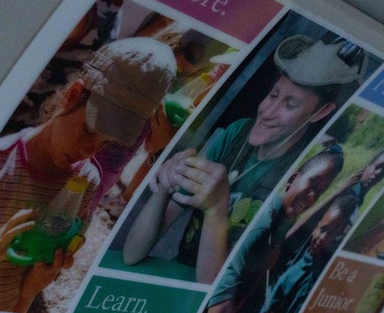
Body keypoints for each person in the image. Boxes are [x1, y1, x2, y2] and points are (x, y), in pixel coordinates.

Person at [0, 38, 176, 312]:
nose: (89, 150)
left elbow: (21, 302)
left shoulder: (87, 184)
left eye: (107, 143)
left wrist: (30, 291)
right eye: (89, 130)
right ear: (72, 95)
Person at [121, 34, 366, 283]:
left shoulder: (298, 177)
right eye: (274, 95)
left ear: (321, 112)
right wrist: (167, 184)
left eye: (290, 104)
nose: (267, 112)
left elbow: (214, 292)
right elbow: (132, 254)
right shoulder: (236, 133)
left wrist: (217, 208)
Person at [204, 145, 345, 313]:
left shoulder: (278, 222)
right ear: (292, 179)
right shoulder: (262, 228)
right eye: (312, 183)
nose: (312, 197)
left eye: (319, 192)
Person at [245, 193, 360, 313]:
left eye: (334, 236)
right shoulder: (302, 261)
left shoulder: (320, 279)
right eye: (323, 229)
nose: (323, 238)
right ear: (317, 225)